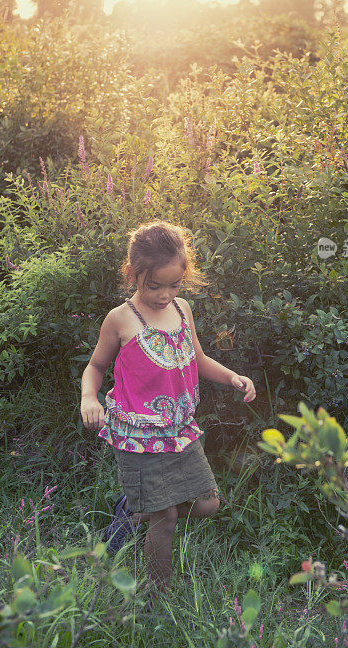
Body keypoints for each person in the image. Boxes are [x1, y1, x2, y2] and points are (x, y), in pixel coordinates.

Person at [80, 219, 256, 603]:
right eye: (154, 285)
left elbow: (199, 358)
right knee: (168, 519)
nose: (164, 295)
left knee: (207, 504)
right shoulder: (120, 319)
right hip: (138, 435)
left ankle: (132, 509)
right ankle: (159, 596)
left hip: (179, 429)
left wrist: (232, 377)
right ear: (133, 273)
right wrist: (89, 399)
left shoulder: (182, 308)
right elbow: (95, 367)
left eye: (173, 285)